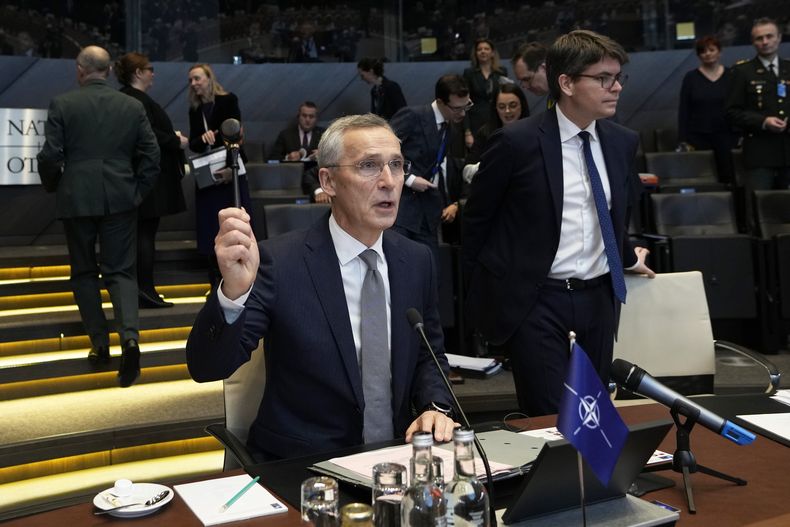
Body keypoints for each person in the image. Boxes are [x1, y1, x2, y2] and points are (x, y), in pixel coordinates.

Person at [186, 114, 456, 460]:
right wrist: (233, 294)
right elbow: (207, 367)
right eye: (369, 166)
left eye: (397, 165)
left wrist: (436, 406)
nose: (389, 181)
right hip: (305, 469)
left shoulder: (416, 260)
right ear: (327, 181)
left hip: (399, 459)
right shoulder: (279, 262)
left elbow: (428, 355)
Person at [462, 30, 655, 417]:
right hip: (537, 299)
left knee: (593, 412)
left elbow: (611, 215)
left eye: (618, 78)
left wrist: (626, 256)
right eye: (603, 78)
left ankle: (597, 480)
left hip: (600, 296)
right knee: (550, 418)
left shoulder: (622, 141)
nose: (615, 87)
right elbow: (477, 221)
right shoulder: (516, 143)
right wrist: (496, 290)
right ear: (565, 82)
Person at [37, 45, 159, 387]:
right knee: (121, 272)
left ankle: (100, 344)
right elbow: (152, 154)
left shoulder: (63, 104)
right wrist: (137, 191)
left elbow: (50, 155)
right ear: (107, 71)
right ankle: (130, 340)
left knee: (84, 273)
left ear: (80, 69)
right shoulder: (132, 105)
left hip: (76, 197)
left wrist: (55, 185)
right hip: (121, 196)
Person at [115, 52, 188, 308]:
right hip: (149, 181)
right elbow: (149, 135)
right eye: (149, 68)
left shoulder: (129, 98)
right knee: (144, 236)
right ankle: (145, 292)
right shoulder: (135, 100)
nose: (153, 73)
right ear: (138, 73)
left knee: (142, 235)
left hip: (142, 179)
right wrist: (176, 140)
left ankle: (143, 291)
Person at [390, 74, 470, 265]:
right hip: (402, 206)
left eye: (467, 106)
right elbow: (380, 149)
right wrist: (409, 179)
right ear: (441, 102)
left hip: (428, 209)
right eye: (457, 108)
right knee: (401, 267)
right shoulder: (413, 115)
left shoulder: (451, 126)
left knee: (429, 270)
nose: (463, 113)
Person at [187, 63, 253, 286]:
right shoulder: (195, 109)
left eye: (197, 78)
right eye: (191, 80)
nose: (194, 84)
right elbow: (195, 145)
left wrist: (228, 168)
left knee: (235, 223)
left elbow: (234, 133)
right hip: (208, 176)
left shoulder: (227, 100)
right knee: (209, 227)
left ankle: (241, 280)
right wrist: (201, 139)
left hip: (229, 169)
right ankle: (215, 282)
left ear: (208, 78)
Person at [726, 17, 790, 194]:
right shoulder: (742, 71)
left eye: (769, 36)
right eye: (759, 38)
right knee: (759, 209)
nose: (765, 42)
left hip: (788, 150)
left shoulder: (789, 68)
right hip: (760, 153)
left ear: (779, 37)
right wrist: (764, 121)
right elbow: (731, 112)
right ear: (753, 42)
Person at [677, 35, 737, 183]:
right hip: (698, 137)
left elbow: (738, 106)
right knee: (702, 178)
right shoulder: (690, 77)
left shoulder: (732, 75)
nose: (708, 53)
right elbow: (684, 109)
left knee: (728, 176)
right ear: (698, 55)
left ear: (720, 52)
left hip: (727, 135)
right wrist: (683, 139)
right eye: (703, 51)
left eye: (712, 49)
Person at [466, 83, 529, 168]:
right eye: (502, 107)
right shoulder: (485, 133)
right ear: (495, 108)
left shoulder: (533, 131)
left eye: (513, 105)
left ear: (522, 105)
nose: (507, 111)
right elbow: (467, 168)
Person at [463, 38, 509, 148]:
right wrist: (467, 132)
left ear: (492, 52)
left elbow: (506, 96)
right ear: (476, 53)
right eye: (479, 49)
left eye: (486, 49)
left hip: (496, 120)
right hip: (476, 122)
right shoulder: (469, 73)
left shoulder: (501, 72)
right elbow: (465, 103)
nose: (483, 51)